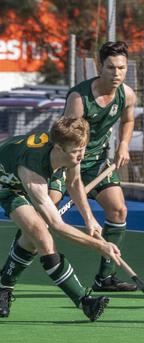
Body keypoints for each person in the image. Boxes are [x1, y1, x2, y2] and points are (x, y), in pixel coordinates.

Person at [0, 116, 123, 321]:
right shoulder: (33, 175)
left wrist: (89, 219)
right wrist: (99, 246)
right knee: (42, 234)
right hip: (8, 183)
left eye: (82, 149)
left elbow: (74, 183)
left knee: (33, 233)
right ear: (58, 147)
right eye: (76, 152)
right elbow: (57, 225)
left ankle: (3, 287)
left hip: (49, 169)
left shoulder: (71, 151)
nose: (81, 156)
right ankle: (84, 301)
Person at [48, 41, 137, 291]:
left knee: (118, 211)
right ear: (100, 67)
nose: (116, 73)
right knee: (42, 218)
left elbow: (129, 119)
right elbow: (66, 139)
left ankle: (104, 278)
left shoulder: (127, 94)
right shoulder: (79, 98)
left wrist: (123, 145)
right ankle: (10, 277)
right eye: (111, 68)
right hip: (65, 162)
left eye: (121, 68)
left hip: (96, 163)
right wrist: (71, 169)